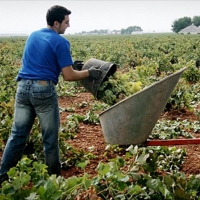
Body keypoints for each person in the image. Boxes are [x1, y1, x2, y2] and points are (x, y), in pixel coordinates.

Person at [0, 5, 102, 185]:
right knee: (50, 138)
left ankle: (2, 177)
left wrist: (72, 65)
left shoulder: (33, 35)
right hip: (43, 91)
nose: (68, 26)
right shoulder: (61, 42)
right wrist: (88, 73)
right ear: (56, 23)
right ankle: (54, 182)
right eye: (66, 22)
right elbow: (69, 76)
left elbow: (42, 62)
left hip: (23, 89)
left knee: (17, 135)